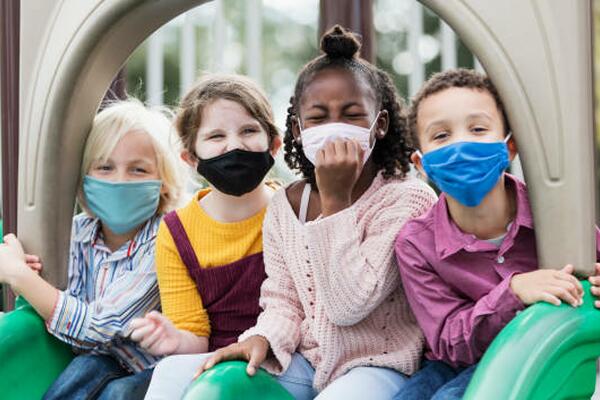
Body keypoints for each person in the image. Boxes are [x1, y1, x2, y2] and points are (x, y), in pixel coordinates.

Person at [194, 25, 437, 400]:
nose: (335, 128)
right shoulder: (285, 206)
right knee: (204, 382)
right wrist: (263, 337)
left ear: (380, 124)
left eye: (352, 115)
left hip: (378, 366)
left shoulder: (408, 200)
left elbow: (349, 305)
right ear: (298, 128)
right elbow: (283, 300)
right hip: (306, 362)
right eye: (319, 117)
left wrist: (336, 201)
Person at [393, 68, 600, 400]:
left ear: (511, 146)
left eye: (477, 129)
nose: (461, 144)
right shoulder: (416, 243)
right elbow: (448, 342)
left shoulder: (555, 215)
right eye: (441, 136)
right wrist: (513, 291)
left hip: (538, 352)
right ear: (421, 163)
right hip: (456, 362)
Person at [0, 99, 183, 399]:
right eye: (105, 167)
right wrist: (29, 276)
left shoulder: (165, 240)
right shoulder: (76, 233)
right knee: (87, 369)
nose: (120, 180)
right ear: (84, 179)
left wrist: (21, 277)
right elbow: (54, 297)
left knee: (107, 385)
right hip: (88, 360)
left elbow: (101, 327)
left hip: (146, 368)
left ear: (163, 182)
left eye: (138, 170)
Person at [129, 74, 282, 399]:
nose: (235, 146)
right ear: (191, 158)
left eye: (249, 131)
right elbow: (195, 336)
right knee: (169, 372)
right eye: (216, 136)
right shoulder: (176, 233)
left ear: (275, 143)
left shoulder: (293, 209)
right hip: (213, 363)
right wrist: (175, 338)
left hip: (282, 357)